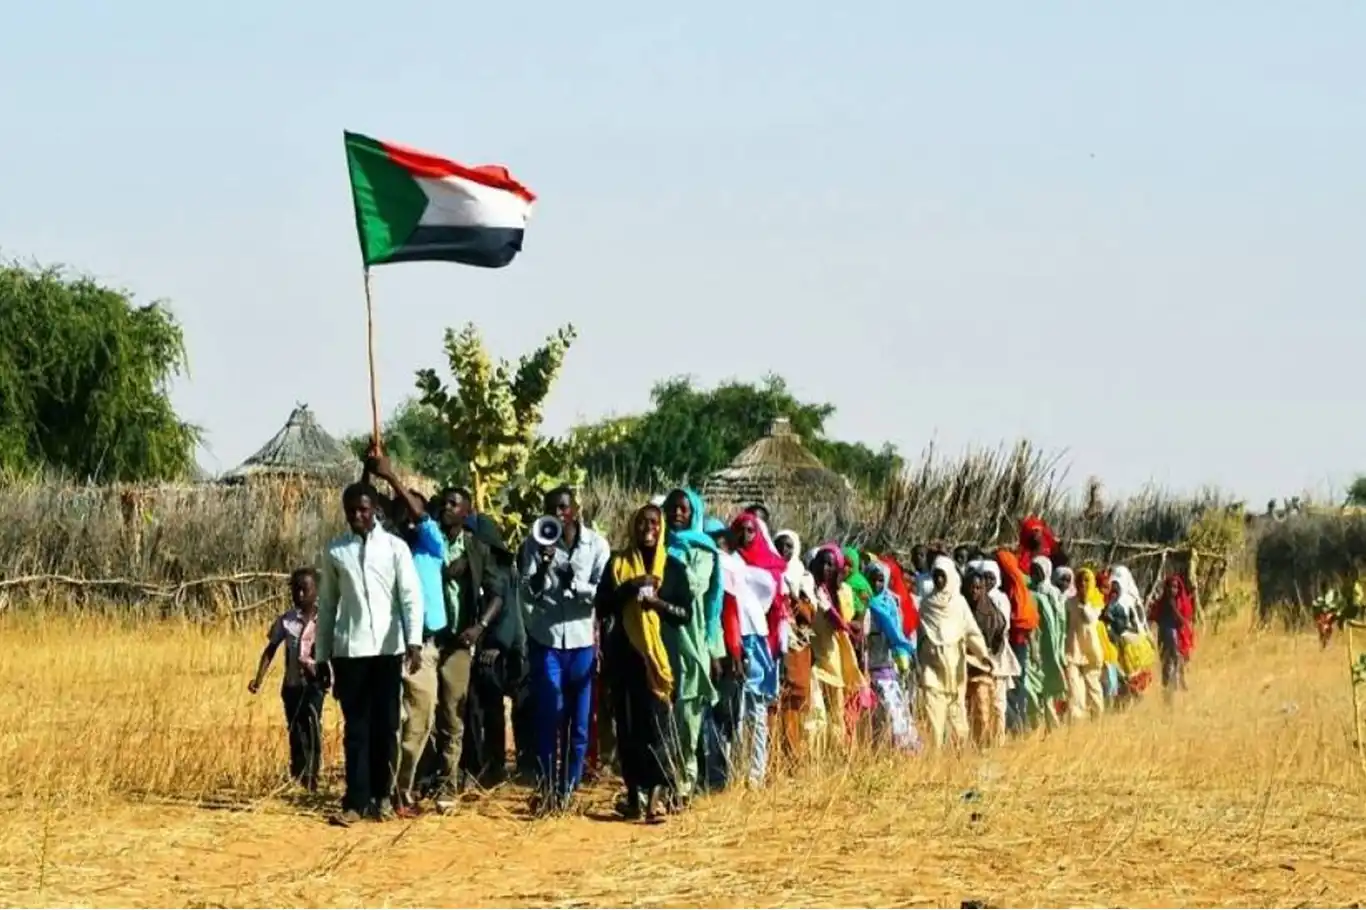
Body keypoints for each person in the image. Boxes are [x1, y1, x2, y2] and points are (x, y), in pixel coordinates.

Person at [316, 481, 424, 826]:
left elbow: (410, 596)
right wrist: (322, 655)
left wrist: (414, 641)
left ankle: (383, 797)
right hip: (350, 651)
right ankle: (355, 801)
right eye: (351, 510)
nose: (357, 516)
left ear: (376, 509)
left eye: (363, 509)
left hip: (388, 650)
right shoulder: (336, 551)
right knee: (357, 728)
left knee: (387, 725)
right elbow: (328, 604)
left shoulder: (394, 548)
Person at [362, 452, 453, 814]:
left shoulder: (432, 544)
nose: (408, 513)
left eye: (412, 507)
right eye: (401, 508)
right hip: (388, 646)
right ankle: (384, 792)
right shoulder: (383, 548)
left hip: (424, 648)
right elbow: (362, 508)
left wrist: (391, 478)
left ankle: (403, 786)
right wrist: (368, 472)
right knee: (388, 722)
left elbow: (420, 516)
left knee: (420, 721)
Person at [596, 504, 694, 822]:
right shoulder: (617, 564)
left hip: (659, 659)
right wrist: (630, 587)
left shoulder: (674, 568)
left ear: (661, 527)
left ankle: (658, 794)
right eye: (641, 522)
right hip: (625, 657)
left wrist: (658, 604)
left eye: (653, 522)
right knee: (628, 729)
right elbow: (602, 606)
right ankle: (634, 796)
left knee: (658, 728)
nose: (648, 528)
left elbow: (685, 614)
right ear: (633, 527)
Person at [520, 486, 611, 812]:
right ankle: (547, 788)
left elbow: (603, 592)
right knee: (550, 715)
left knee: (580, 724)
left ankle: (568, 790)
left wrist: (575, 583)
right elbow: (527, 591)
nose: (558, 514)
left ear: (575, 510)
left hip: (581, 643)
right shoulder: (535, 543)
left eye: (563, 507)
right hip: (548, 641)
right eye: (551, 509)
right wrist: (544, 567)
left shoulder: (597, 545)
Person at [660, 488, 724, 807]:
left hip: (690, 638)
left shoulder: (704, 551)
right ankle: (659, 784)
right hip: (659, 637)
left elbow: (696, 588)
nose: (677, 513)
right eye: (672, 508)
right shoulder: (655, 545)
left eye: (683, 509)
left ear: (694, 513)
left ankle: (684, 783)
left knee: (688, 717)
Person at [249, 567, 329, 791]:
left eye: (305, 590)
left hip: (314, 685)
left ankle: (312, 775)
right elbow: (270, 649)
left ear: (316, 591)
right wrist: (258, 679)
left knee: (312, 727)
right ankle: (298, 773)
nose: (300, 595)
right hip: (291, 686)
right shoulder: (285, 621)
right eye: (296, 590)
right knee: (295, 729)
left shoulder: (326, 621)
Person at [459, 516, 522, 793]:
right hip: (471, 647)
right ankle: (474, 765)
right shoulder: (469, 565)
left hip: (494, 650)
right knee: (471, 708)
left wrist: (497, 645)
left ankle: (495, 765)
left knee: (492, 709)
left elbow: (509, 612)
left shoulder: (503, 570)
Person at [728, 511, 785, 785]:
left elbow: (777, 607)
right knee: (737, 710)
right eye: (740, 530)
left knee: (758, 710)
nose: (745, 536)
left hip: (761, 640)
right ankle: (736, 770)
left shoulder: (770, 565)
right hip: (736, 638)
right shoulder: (729, 561)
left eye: (750, 530)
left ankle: (756, 773)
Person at [917, 556, 992, 748]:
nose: (939, 580)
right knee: (935, 721)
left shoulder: (959, 604)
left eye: (942, 576)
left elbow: (971, 632)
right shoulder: (926, 605)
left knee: (958, 722)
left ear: (950, 576)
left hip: (954, 669)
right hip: (932, 669)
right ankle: (935, 760)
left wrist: (983, 655)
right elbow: (920, 637)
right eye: (936, 576)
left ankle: (959, 760)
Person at [862, 560, 919, 751]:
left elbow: (897, 633)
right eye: (872, 580)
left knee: (895, 713)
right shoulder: (865, 605)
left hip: (887, 668)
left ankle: (901, 751)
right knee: (875, 718)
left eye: (880, 580)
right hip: (869, 669)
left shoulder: (890, 604)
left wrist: (904, 654)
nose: (876, 584)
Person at [773, 530, 818, 759]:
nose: (784, 550)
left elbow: (811, 614)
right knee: (774, 701)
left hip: (796, 645)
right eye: (779, 545)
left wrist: (796, 601)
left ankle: (794, 756)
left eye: (789, 546)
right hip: (774, 644)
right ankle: (774, 758)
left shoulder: (803, 576)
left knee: (795, 701)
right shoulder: (768, 570)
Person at [995, 550, 1040, 734]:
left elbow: (1024, 619)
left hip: (1015, 642)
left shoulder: (1015, 589)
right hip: (1010, 643)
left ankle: (1018, 725)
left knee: (1014, 684)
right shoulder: (1012, 587)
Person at [975, 560, 1020, 740]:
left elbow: (1003, 626)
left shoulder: (1001, 599)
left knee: (999, 701)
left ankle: (999, 738)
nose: (987, 582)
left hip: (998, 653)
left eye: (991, 577)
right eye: (984, 578)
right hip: (981, 654)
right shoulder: (976, 599)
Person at [964, 568, 1006, 748]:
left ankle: (984, 745)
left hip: (982, 667)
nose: (974, 591)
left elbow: (1000, 636)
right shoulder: (961, 609)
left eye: (978, 588)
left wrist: (988, 654)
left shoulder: (990, 612)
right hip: (962, 666)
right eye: (971, 588)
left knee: (983, 708)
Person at [1028, 557, 1069, 729]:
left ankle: (1053, 726)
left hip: (1051, 643)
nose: (1034, 574)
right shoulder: (1029, 592)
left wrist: (1058, 648)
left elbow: (1059, 622)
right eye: (1033, 570)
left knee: (1050, 686)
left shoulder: (1052, 593)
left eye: (1038, 571)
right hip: (1036, 643)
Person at [1106, 566, 1156, 704]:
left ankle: (1132, 701)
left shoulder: (1124, 601)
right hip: (1130, 644)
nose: (1114, 585)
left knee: (1132, 678)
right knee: (1127, 678)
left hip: (1130, 646)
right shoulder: (1129, 598)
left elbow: (1137, 623)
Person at [1064, 568, 1107, 721]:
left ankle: (1097, 719)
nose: (1083, 584)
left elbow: (1090, 619)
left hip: (1091, 650)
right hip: (1073, 649)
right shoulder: (1069, 602)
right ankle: (1077, 721)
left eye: (1086, 580)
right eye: (1080, 580)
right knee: (1074, 688)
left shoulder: (1096, 602)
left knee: (1093, 686)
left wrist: (1084, 602)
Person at [1149, 573, 1195, 697]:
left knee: (1173, 665)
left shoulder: (1179, 602)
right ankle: (1169, 695)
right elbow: (1157, 617)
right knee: (1169, 665)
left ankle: (1172, 694)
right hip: (1168, 636)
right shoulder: (1166, 602)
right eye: (1170, 586)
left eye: (1175, 587)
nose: (1172, 590)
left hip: (1173, 637)